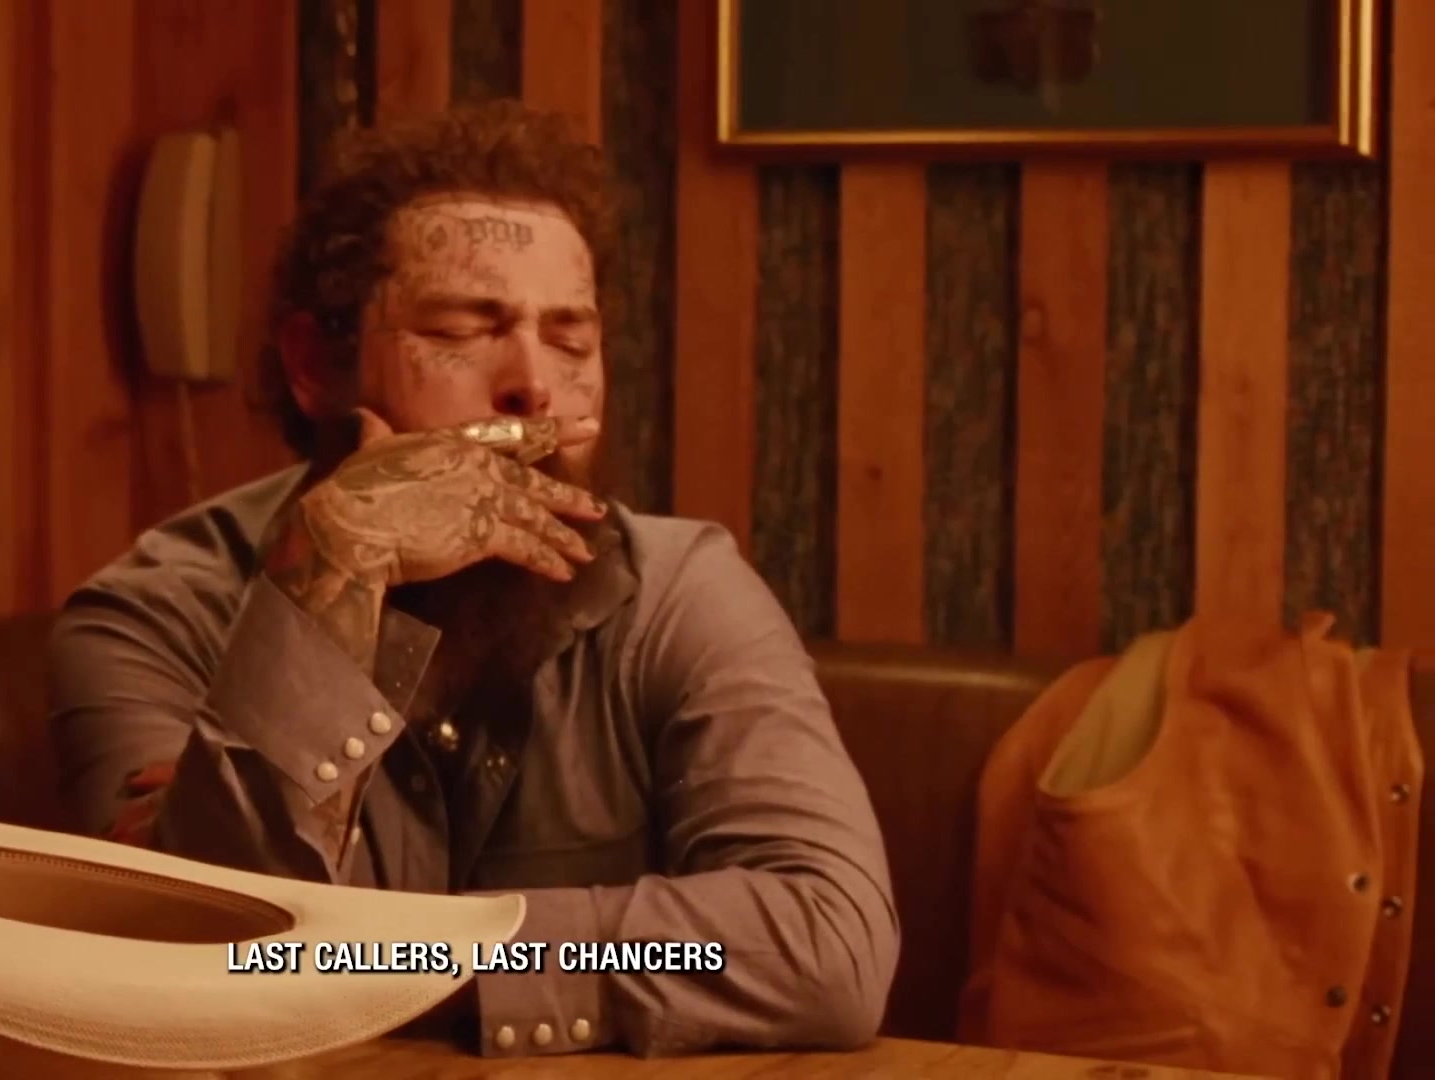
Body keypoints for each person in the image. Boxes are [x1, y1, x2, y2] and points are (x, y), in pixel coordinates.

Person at [48, 100, 899, 1059]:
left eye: (570, 340)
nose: (533, 384)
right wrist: (329, 580)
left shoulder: (682, 593)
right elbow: (203, 953)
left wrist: (416, 960)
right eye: (463, 327)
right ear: (316, 366)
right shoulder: (152, 619)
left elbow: (824, 946)